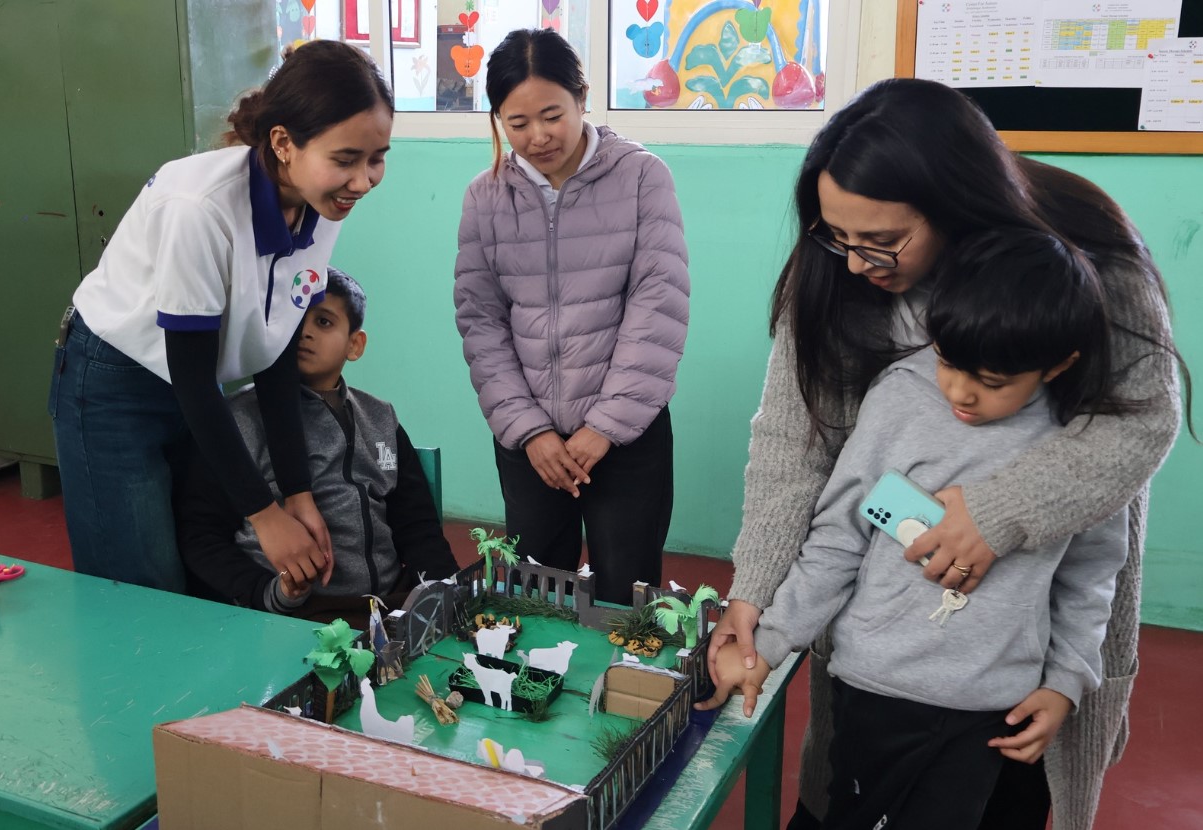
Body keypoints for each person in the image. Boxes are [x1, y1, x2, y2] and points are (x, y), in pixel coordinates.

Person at [709, 78, 1189, 830]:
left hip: (1011, 679)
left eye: (883, 241)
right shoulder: (853, 299)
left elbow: (1139, 428)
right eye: (836, 236)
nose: (856, 264)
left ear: (955, 205)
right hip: (886, 668)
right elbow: (799, 451)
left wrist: (996, 517)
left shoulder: (1082, 261)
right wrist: (757, 595)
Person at [697, 229, 1131, 830]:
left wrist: (1065, 682)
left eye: (994, 382)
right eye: (948, 361)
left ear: (1058, 364)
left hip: (993, 706)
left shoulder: (1082, 440)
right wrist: (767, 644)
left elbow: (1090, 577)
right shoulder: (901, 397)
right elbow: (838, 539)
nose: (960, 392)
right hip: (875, 689)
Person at [48, 42, 393, 593]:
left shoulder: (322, 200)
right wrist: (266, 516)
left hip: (198, 386)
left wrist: (296, 493)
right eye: (346, 159)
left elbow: (277, 346)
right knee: (143, 586)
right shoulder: (199, 208)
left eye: (377, 158)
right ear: (283, 143)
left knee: (198, 570)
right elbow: (193, 378)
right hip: (116, 383)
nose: (363, 180)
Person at [453, 28, 689, 605]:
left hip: (626, 432)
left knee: (625, 597)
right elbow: (481, 321)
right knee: (534, 594)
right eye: (517, 123)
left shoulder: (642, 177)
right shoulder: (485, 197)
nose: (537, 137)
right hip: (529, 439)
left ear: (582, 97)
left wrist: (604, 426)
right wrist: (528, 430)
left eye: (552, 115)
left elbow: (657, 307)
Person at [175, 268, 459, 626]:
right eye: (294, 320)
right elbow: (201, 537)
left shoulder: (381, 417)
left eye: (323, 322)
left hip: (388, 607)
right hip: (294, 617)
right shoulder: (237, 421)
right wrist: (266, 592)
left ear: (354, 345)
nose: (303, 332)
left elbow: (417, 526)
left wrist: (447, 590)